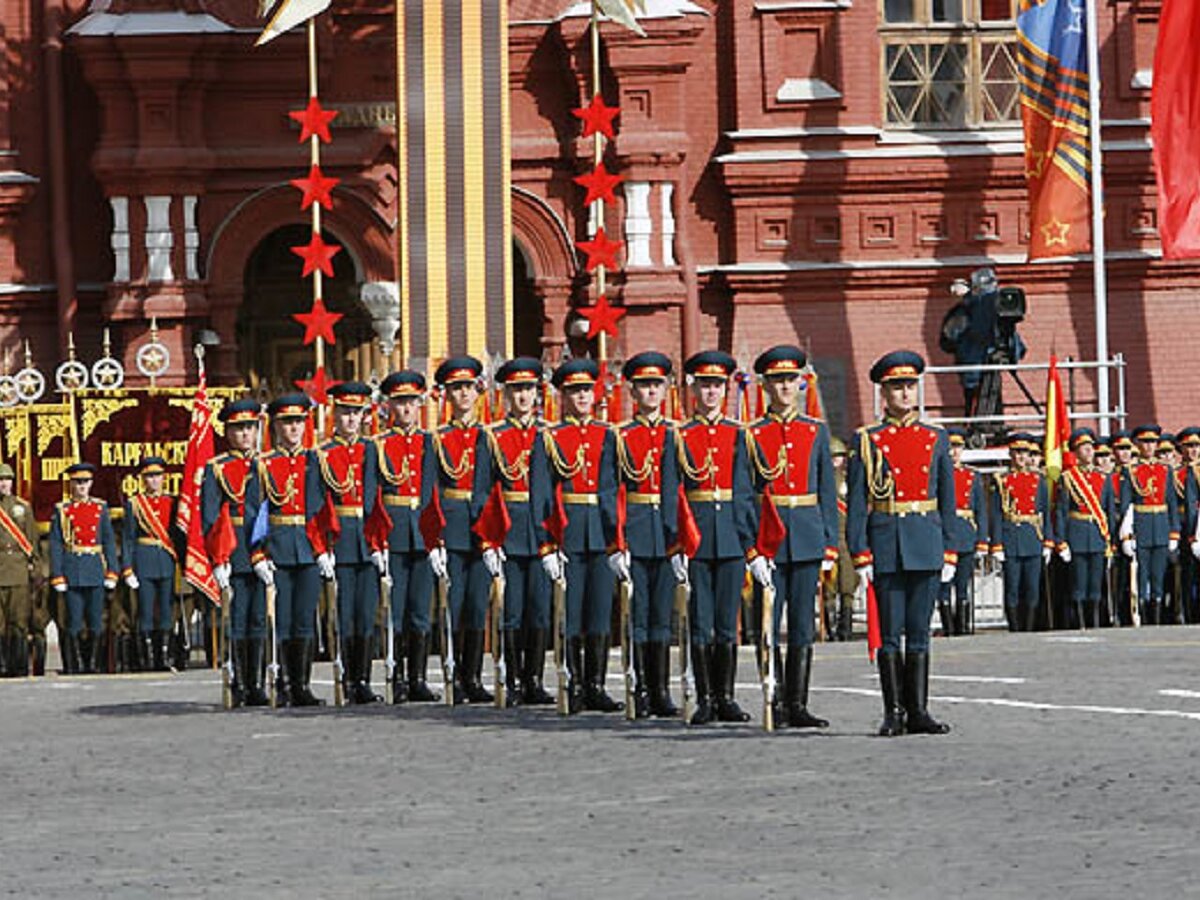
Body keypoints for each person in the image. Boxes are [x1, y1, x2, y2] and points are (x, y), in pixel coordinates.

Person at [846, 350, 955, 737]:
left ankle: (919, 710)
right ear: (884, 393)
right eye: (897, 387)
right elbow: (858, 503)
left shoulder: (936, 438)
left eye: (910, 386)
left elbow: (948, 499)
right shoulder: (867, 441)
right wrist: (859, 552)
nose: (905, 394)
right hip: (888, 543)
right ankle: (893, 711)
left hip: (925, 540)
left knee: (920, 632)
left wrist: (950, 548)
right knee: (891, 633)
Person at [745, 345, 837, 729]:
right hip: (769, 541)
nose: (786, 387)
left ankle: (798, 701)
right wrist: (752, 548)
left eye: (791, 380)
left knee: (802, 623)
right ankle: (774, 698)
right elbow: (746, 496)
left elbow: (827, 491)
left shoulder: (814, 431)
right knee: (766, 624)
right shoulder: (752, 434)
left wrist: (830, 543)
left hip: (806, 534)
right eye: (778, 380)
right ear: (766, 386)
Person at [532, 358, 622, 714]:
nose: (582, 396)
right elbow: (541, 493)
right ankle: (571, 683)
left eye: (586, 390)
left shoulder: (608, 435)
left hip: (600, 535)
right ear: (563, 396)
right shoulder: (550, 438)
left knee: (599, 611)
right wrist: (547, 545)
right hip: (567, 534)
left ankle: (595, 684)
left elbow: (614, 489)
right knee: (570, 613)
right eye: (574, 391)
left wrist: (618, 541)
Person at [676, 350, 755, 725]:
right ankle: (705, 697)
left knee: (728, 622)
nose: (711, 393)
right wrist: (676, 544)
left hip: (730, 539)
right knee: (700, 621)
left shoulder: (739, 434)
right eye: (705, 386)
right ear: (694, 390)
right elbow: (671, 492)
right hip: (695, 537)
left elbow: (744, 490)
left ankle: (726, 696)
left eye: (717, 386)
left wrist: (749, 541)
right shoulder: (681, 435)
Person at [477, 357, 554, 706]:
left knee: (538, 609)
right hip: (507, 531)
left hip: (541, 533)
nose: (523, 397)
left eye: (528, 390)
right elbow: (483, 492)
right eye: (516, 390)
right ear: (506, 394)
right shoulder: (493, 436)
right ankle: (511, 679)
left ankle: (534, 678)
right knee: (511, 609)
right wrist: (489, 541)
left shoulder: (547, 435)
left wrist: (555, 537)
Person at [614, 351, 685, 718]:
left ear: (667, 388)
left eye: (657, 384)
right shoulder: (621, 436)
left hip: (668, 534)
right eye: (644, 385)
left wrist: (683, 540)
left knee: (663, 617)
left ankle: (661, 689)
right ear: (633, 391)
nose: (651, 391)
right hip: (638, 532)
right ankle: (640, 688)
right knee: (638, 617)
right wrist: (617, 543)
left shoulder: (678, 433)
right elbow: (614, 492)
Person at [423, 358, 492, 704]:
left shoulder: (488, 436)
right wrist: (434, 538)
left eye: (468, 387)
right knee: (454, 601)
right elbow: (429, 492)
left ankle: (474, 676)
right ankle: (454, 675)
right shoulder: (437, 439)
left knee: (477, 605)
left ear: (478, 391)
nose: (463, 394)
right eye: (456, 388)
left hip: (483, 531)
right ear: (446, 394)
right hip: (451, 528)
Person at [249, 394, 325, 706]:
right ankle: (282, 682)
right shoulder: (264, 463)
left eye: (298, 422)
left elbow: (320, 508)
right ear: (276, 426)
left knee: (304, 618)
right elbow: (256, 512)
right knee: (281, 619)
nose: (293, 428)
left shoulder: (313, 460)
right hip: (278, 549)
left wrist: (324, 549)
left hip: (307, 549)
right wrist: (258, 554)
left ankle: (302, 684)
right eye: (286, 423)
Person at [314, 382, 384, 703]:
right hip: (340, 539)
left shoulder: (372, 450)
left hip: (367, 541)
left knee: (366, 613)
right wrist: (322, 548)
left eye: (356, 413)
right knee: (344, 614)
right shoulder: (323, 455)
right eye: (345, 413)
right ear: (334, 415)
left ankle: (363, 680)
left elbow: (378, 500)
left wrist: (379, 543)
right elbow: (317, 506)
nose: (351, 419)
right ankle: (347, 679)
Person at [376, 370, 440, 703]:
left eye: (411, 402)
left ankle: (418, 677)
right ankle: (396, 676)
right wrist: (378, 541)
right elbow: (375, 497)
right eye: (400, 402)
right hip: (394, 533)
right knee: (396, 610)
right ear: (389, 406)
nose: (405, 409)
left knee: (420, 610)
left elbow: (436, 492)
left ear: (420, 405)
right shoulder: (380, 445)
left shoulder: (431, 442)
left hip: (424, 534)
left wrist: (438, 539)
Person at [203, 399, 265, 706]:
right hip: (235, 548)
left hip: (264, 547)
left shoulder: (265, 463)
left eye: (249, 428)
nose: (244, 434)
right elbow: (211, 516)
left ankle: (258, 683)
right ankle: (240, 682)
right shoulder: (217, 469)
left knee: (260, 619)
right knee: (238, 619)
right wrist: (218, 558)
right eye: (238, 429)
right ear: (228, 432)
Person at [49, 462, 118, 674]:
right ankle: (75, 665)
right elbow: (56, 545)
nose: (82, 486)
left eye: (85, 482)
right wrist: (58, 575)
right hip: (73, 570)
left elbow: (108, 541)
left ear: (91, 483)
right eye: (78, 482)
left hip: (95, 568)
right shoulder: (63, 510)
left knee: (96, 621)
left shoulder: (100, 508)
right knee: (74, 621)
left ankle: (93, 664)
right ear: (71, 484)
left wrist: (112, 571)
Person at [990, 432, 1053, 632]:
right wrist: (997, 544)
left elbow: (1045, 512)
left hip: (1033, 537)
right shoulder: (1002, 480)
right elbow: (997, 514)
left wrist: (1048, 541)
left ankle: (1029, 627)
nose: (1021, 457)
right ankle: (1015, 628)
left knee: (1032, 588)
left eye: (1024, 453)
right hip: (1012, 539)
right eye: (1017, 453)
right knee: (1012, 588)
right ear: (1011, 455)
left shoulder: (1038, 480)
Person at [122, 456, 180, 672]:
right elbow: (128, 538)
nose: (153, 481)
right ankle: (146, 659)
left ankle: (165, 657)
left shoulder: (172, 501)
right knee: (145, 611)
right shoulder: (135, 504)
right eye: (149, 477)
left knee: (166, 610)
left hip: (165, 558)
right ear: (142, 479)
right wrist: (127, 567)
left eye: (157, 476)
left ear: (163, 478)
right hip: (144, 560)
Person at [1119, 423, 1180, 625]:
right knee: (1142, 574)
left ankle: (1158, 614)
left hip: (1161, 527)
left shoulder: (1165, 470)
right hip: (1142, 527)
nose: (1149, 447)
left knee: (1159, 575)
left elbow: (1171, 502)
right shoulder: (1131, 471)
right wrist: (1127, 534)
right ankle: (1144, 615)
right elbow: (1126, 505)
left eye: (1153, 442)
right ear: (1138, 444)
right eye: (1145, 442)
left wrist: (1174, 532)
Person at [1055, 428, 1115, 629]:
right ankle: (1080, 623)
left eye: (1091, 448)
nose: (1089, 451)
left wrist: (1111, 541)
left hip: (1098, 536)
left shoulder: (1103, 478)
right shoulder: (1068, 478)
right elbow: (1062, 512)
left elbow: (1108, 512)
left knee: (1095, 585)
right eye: (1084, 448)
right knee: (1079, 585)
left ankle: (1096, 622)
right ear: (1076, 452)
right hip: (1077, 535)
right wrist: (1061, 541)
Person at [941, 428, 987, 636]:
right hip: (944, 535)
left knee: (963, 585)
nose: (954, 452)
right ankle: (948, 626)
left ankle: (963, 626)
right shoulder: (939, 474)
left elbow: (981, 510)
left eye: (958, 447)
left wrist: (982, 540)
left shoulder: (972, 476)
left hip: (966, 532)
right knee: (943, 587)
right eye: (951, 447)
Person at [0, 463, 39, 676]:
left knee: (19, 622)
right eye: (0, 480)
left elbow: (32, 540)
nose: (4, 484)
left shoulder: (23, 508)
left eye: (7, 479)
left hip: (18, 571)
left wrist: (36, 570)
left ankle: (18, 665)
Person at [825, 436, 858, 642]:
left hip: (846, 539)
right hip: (828, 539)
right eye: (833, 457)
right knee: (829, 587)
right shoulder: (822, 481)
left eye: (839, 457)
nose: (836, 461)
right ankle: (830, 627)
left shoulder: (849, 479)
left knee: (848, 585)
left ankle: (846, 626)